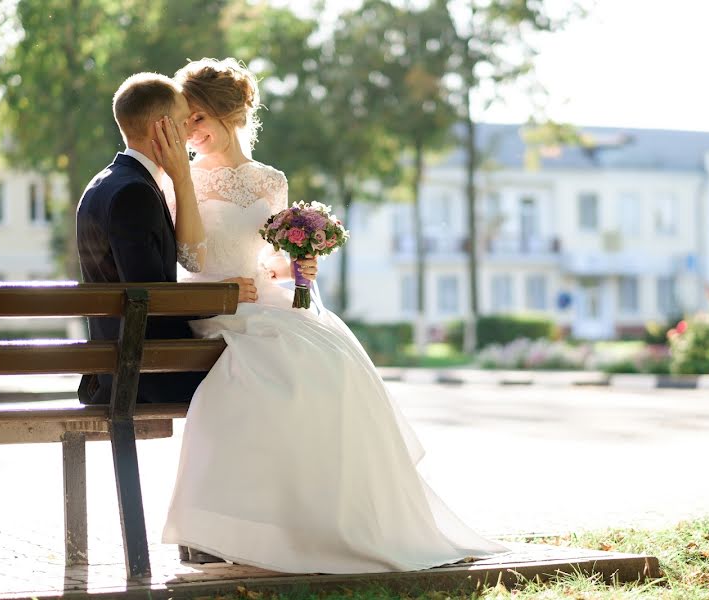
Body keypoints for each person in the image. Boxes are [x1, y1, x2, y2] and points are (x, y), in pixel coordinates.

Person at [161, 57, 507, 574]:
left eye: (198, 119)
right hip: (211, 302)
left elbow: (270, 260)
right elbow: (185, 257)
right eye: (185, 120)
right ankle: (221, 525)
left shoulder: (269, 181)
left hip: (263, 298)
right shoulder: (179, 177)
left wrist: (299, 263)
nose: (190, 131)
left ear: (228, 116)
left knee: (335, 359)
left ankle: (331, 517)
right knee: (284, 363)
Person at [75, 72, 209, 405]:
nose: (190, 133)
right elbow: (152, 300)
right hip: (145, 374)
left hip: (122, 365)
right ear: (160, 128)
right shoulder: (135, 193)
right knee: (260, 370)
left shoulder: (104, 183)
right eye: (182, 122)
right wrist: (225, 295)